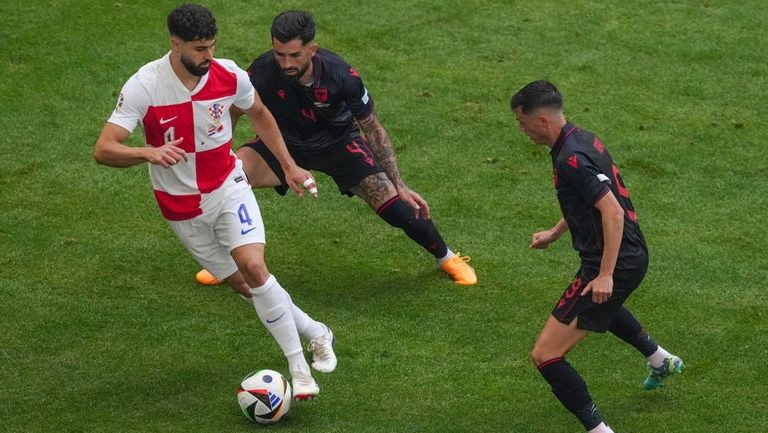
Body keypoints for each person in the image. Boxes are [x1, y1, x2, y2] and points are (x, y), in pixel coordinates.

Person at [94, 3, 336, 401]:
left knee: (255, 268)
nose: (209, 56)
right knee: (243, 285)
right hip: (181, 208)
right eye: (200, 49)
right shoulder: (144, 85)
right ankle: (317, 331)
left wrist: (289, 166)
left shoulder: (228, 74)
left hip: (228, 186)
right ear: (176, 44)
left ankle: (299, 367)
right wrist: (148, 153)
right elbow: (104, 149)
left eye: (212, 46)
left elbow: (258, 113)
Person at [194, 10, 477, 287]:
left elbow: (373, 128)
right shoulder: (264, 70)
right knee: (224, 181)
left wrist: (399, 183)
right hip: (284, 143)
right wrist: (222, 155)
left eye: (295, 55)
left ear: (312, 49)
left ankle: (447, 257)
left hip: (339, 143)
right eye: (280, 54)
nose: (286, 63)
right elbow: (234, 111)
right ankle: (225, 264)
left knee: (397, 206)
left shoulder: (341, 75)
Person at [510, 80, 683, 433]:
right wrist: (556, 233)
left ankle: (599, 430)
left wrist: (604, 274)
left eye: (522, 122)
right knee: (600, 302)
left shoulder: (570, 157)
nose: (521, 130)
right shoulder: (582, 139)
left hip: (613, 261)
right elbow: (589, 197)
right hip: (630, 254)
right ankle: (659, 359)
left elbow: (612, 212)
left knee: (546, 355)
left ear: (542, 120)